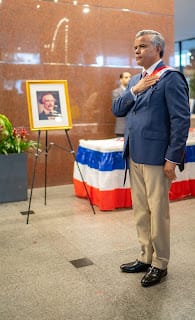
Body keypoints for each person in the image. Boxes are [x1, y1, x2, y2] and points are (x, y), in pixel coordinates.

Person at [112, 30, 190, 287]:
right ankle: (146, 256)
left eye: (142, 46)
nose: (136, 51)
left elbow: (180, 120)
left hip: (157, 157)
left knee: (158, 212)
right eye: (134, 47)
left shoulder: (171, 78)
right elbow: (117, 109)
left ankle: (160, 263)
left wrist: (172, 157)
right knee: (140, 210)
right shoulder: (136, 79)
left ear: (157, 49)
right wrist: (134, 90)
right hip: (134, 153)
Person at [112, 72, 131, 137]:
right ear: (121, 79)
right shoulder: (116, 92)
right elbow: (119, 107)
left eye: (130, 77)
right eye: (126, 77)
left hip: (133, 128)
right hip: (121, 128)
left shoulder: (134, 91)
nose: (129, 79)